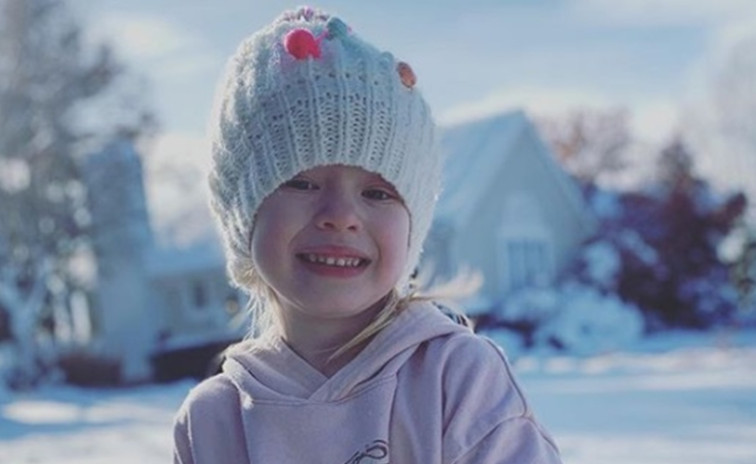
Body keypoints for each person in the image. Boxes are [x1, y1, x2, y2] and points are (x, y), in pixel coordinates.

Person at [173, 6, 562, 463]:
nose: (340, 216)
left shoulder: (455, 379)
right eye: (302, 183)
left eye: (377, 193)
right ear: (243, 213)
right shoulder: (213, 420)